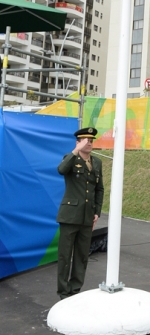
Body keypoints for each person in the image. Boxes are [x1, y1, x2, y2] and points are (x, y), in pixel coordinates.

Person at [56, 126, 104, 300]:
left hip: (87, 217)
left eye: (91, 141)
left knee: (82, 256)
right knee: (65, 255)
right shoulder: (70, 159)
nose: (89, 143)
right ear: (78, 142)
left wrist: (96, 212)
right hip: (70, 216)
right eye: (85, 141)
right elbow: (61, 170)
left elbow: (99, 189)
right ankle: (63, 292)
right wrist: (75, 150)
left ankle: (75, 290)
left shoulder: (97, 162)